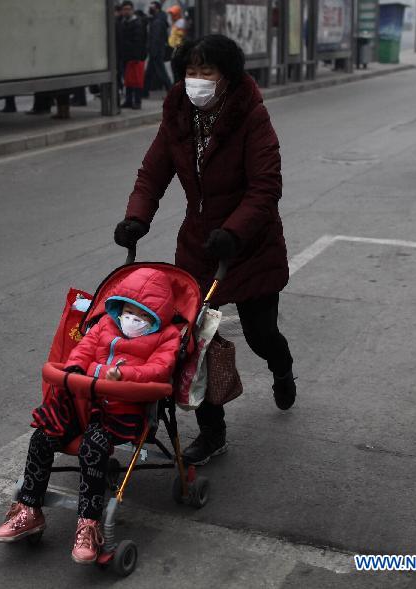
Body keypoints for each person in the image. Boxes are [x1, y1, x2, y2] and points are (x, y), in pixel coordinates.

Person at [114, 35, 295, 466]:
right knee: (195, 342)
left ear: (227, 76)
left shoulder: (251, 116)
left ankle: (282, 366)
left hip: (249, 245)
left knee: (260, 334)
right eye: (191, 71)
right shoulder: (178, 114)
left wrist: (234, 232)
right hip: (198, 246)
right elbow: (152, 172)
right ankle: (213, 432)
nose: (196, 80)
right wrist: (137, 217)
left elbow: (266, 186)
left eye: (206, 72)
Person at [0, 267, 183, 564]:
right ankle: (29, 509)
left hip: (122, 411)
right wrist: (75, 371)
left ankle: (89, 523)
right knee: (43, 436)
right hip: (84, 403)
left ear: (157, 316)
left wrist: (124, 375)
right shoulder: (106, 324)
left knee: (93, 446)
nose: (133, 319)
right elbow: (82, 351)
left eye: (143, 315)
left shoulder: (167, 336)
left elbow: (160, 370)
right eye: (128, 311)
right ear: (118, 307)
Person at [117, 1, 147, 109]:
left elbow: (139, 42)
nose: (126, 11)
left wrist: (136, 56)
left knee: (136, 79)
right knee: (128, 80)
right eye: (124, 9)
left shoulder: (137, 23)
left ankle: (137, 101)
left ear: (132, 10)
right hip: (125, 56)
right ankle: (129, 100)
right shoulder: (122, 22)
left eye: (128, 9)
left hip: (135, 57)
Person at [143, 1, 172, 97]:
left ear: (157, 8)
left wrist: (153, 52)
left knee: (161, 73)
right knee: (149, 73)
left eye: (152, 7)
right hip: (156, 51)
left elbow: (156, 38)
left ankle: (171, 92)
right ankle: (144, 92)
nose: (150, 9)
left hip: (156, 51)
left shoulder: (158, 21)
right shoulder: (158, 19)